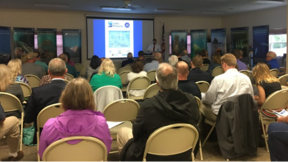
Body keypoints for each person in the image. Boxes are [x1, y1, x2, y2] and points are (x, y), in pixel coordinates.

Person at [117, 63, 199, 161]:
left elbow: (137, 134)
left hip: (151, 155)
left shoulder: (148, 106)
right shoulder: (192, 101)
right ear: (177, 80)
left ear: (157, 82)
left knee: (122, 132)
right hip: (183, 152)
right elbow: (196, 121)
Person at [38, 78, 112, 159]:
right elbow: (106, 151)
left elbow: (43, 155)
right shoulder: (100, 123)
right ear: (91, 98)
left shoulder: (49, 125)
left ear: (65, 98)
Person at [24, 58, 67, 144]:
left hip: (44, 132)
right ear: (66, 71)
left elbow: (28, 118)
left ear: (49, 73)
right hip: (69, 131)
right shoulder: (75, 91)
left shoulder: (37, 92)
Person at [201, 54, 253, 122]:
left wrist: (201, 95)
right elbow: (250, 97)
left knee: (200, 105)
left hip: (220, 115)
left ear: (224, 64)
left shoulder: (218, 79)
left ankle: (204, 131)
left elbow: (208, 100)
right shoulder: (246, 78)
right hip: (240, 114)